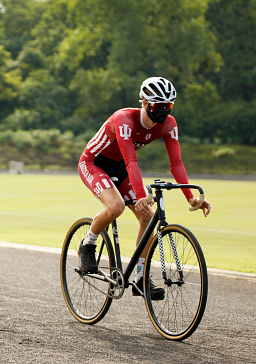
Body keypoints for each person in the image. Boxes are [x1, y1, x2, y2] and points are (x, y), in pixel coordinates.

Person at [77, 77, 211, 299]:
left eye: (168, 106)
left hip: (120, 167)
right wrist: (140, 195)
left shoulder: (169, 124)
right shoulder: (124, 120)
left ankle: (139, 278)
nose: (163, 112)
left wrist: (190, 197)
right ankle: (88, 243)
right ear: (145, 102)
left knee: (147, 217)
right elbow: (132, 162)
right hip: (94, 162)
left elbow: (176, 163)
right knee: (116, 207)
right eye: (158, 106)